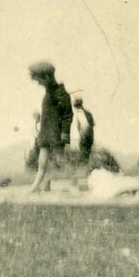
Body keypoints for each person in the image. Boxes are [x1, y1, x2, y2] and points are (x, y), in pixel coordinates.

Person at [28, 61, 73, 193]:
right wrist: (39, 117)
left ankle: (42, 185)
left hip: (56, 134)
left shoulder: (61, 93)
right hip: (46, 133)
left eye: (39, 80)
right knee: (43, 163)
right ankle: (39, 186)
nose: (38, 83)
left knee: (57, 161)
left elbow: (67, 115)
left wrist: (65, 134)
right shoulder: (49, 93)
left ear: (47, 78)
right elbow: (51, 114)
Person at [73, 97, 95, 164]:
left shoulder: (78, 113)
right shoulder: (88, 113)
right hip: (90, 136)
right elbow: (93, 124)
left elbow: (79, 126)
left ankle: (83, 169)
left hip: (84, 137)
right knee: (87, 154)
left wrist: (82, 136)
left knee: (83, 155)